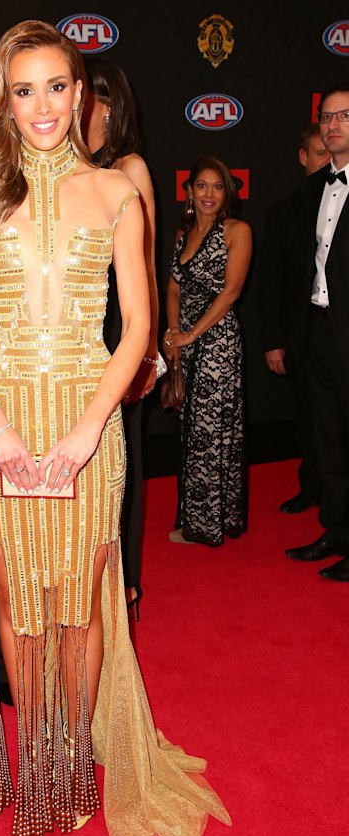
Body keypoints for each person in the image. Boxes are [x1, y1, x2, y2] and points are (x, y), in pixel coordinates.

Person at [0, 20, 230, 836]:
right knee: (16, 602)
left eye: (58, 87)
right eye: (23, 89)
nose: (43, 107)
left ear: (82, 93)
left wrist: (87, 428)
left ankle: (71, 763)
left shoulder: (117, 194)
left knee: (82, 601)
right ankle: (37, 758)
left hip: (88, 420)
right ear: (4, 96)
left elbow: (138, 329)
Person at [82, 56, 165, 615]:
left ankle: (124, 585)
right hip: (75, 331)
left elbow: (149, 264)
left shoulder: (129, 167)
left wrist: (149, 349)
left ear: (111, 107)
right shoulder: (63, 165)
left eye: (91, 95)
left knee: (121, 461)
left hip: (121, 329)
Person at [165, 157, 252, 546]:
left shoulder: (237, 231)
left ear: (227, 193)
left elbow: (230, 292)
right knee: (190, 430)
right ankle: (203, 516)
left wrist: (192, 334)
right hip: (187, 343)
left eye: (217, 187)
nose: (209, 194)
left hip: (218, 344)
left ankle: (208, 525)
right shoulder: (183, 235)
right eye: (202, 186)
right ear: (189, 192)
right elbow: (173, 288)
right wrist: (174, 335)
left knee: (211, 433)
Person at [285, 85, 349, 583]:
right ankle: (337, 530)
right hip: (321, 330)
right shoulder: (312, 191)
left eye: (344, 116)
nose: (332, 125)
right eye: (326, 117)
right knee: (328, 439)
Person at [258, 123, 329, 514]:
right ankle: (312, 486)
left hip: (337, 335)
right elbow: (271, 284)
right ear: (303, 158)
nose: (325, 160)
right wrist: (273, 341)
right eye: (318, 153)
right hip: (301, 337)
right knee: (306, 416)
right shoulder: (283, 212)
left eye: (330, 153)